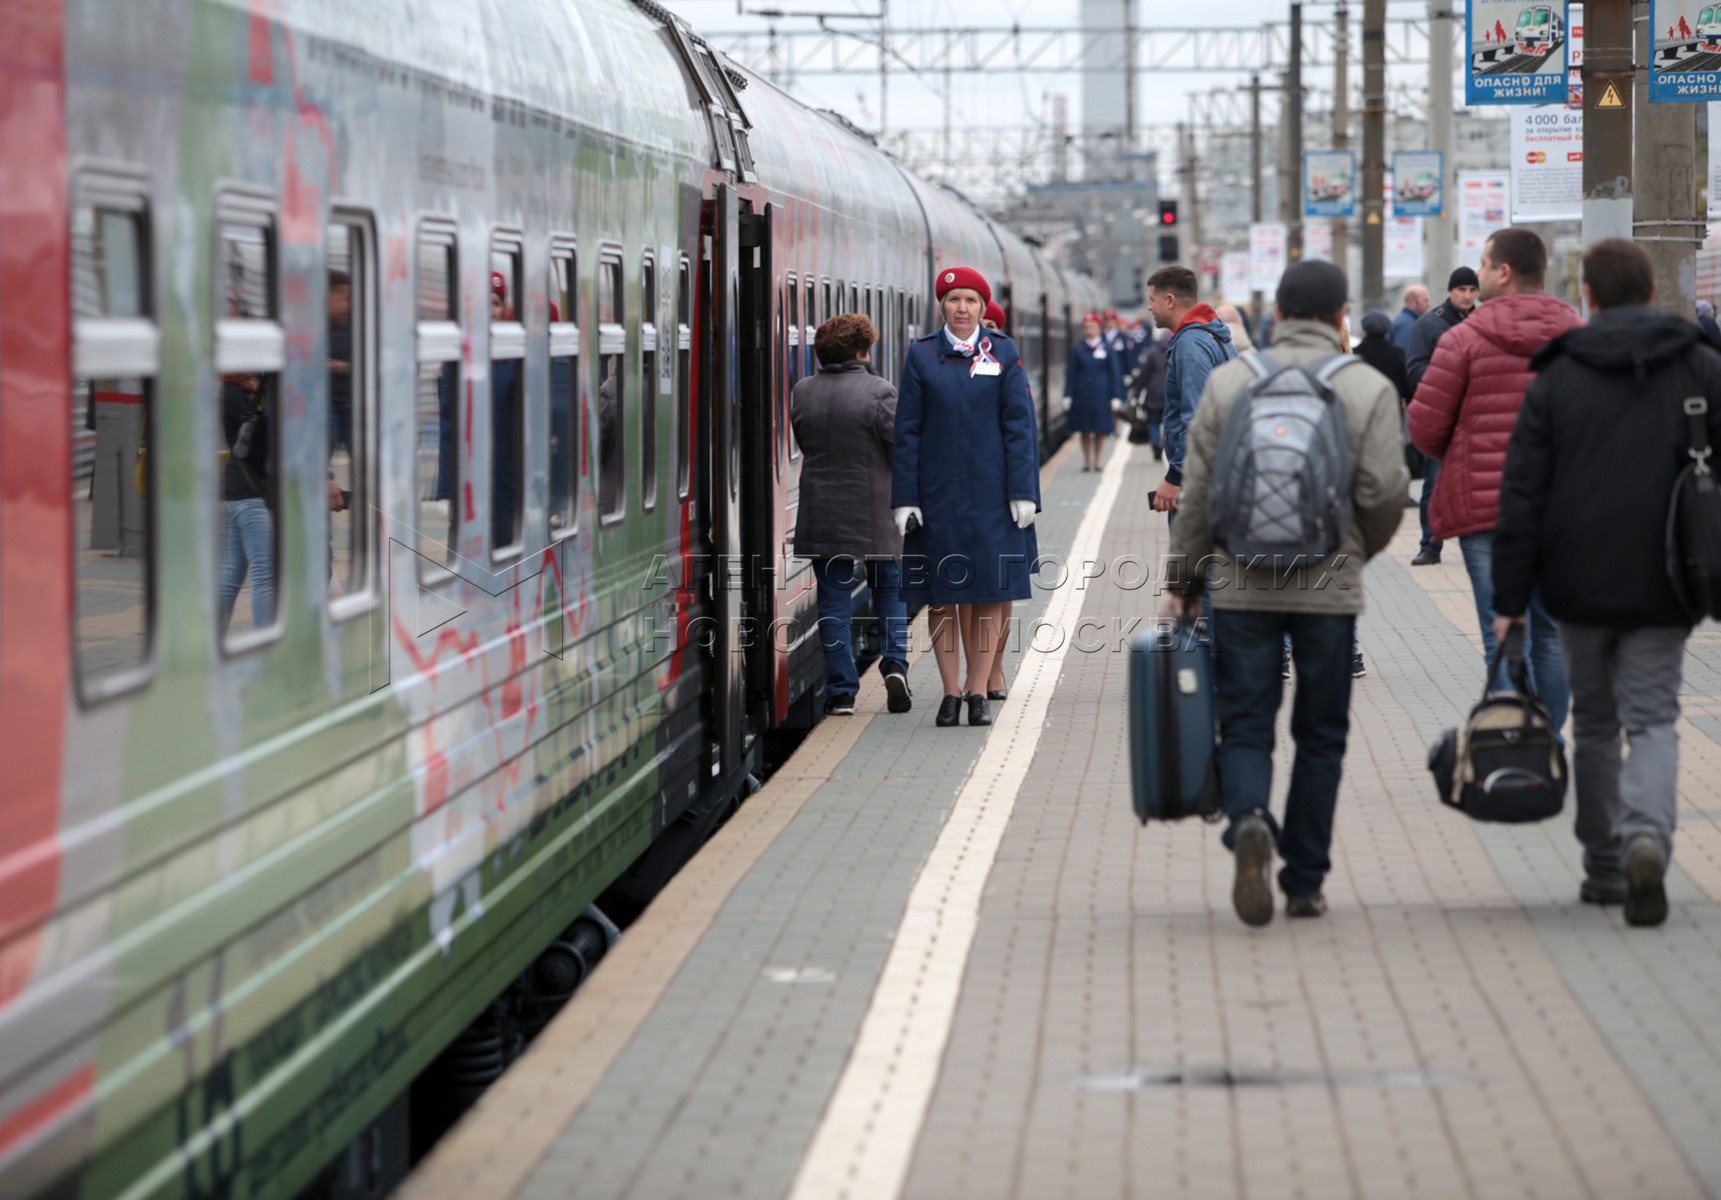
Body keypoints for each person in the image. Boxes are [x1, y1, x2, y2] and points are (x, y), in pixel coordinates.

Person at [1161, 259, 1408, 927]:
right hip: (1329, 589)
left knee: (1244, 723)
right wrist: (1352, 552)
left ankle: (1247, 820)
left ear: (1275, 317)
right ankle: (1303, 881)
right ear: (1339, 317)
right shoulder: (1364, 386)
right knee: (1320, 734)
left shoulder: (1229, 381)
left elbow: (1198, 494)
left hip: (1240, 584)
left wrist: (1183, 580)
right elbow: (1386, 491)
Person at [1493, 240, 1721, 925]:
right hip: (1669, 576)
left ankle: (1604, 864)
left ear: (1586, 297)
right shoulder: (1700, 366)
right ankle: (1647, 836)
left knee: (1593, 723)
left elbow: (1521, 495)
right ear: (1651, 292)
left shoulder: (1556, 376)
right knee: (1652, 718)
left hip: (1577, 580)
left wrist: (1508, 600)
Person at [1409, 228, 1581, 737]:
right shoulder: (1576, 334)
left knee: (1502, 634)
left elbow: (1424, 428)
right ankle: (1547, 744)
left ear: (1504, 272)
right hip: (1559, 508)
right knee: (1551, 634)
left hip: (1486, 510)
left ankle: (1514, 745)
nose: (1477, 274)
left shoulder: (1462, 339)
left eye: (1484, 264)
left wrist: (1462, 452)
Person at [894, 267, 1039, 728]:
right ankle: (950, 693)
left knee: (985, 595)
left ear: (982, 307)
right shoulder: (921, 356)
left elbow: (1019, 426)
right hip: (937, 496)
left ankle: (978, 691)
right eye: (954, 299)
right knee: (942, 596)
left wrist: (1023, 492)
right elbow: (907, 431)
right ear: (942, 305)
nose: (962, 308)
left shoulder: (1004, 351)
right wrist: (905, 498)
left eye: (971, 301)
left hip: (993, 496)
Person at [791, 313, 912, 717]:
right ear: (863, 350)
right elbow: (900, 448)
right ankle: (894, 663)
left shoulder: (802, 392)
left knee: (832, 601)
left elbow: (805, 439)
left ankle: (842, 691)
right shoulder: (880, 391)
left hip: (822, 510)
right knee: (889, 590)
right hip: (874, 510)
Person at [1403, 266, 1480, 566]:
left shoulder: (1483, 320)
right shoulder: (1428, 325)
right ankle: (1430, 545)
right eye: (1462, 290)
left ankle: (1479, 544)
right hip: (1443, 415)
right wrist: (1448, 379)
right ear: (1450, 291)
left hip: (1477, 416)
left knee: (1479, 484)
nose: (1467, 295)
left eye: (1472, 290)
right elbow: (1414, 367)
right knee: (1435, 483)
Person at [1147, 264, 1235, 517]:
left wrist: (1175, 477)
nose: (1150, 307)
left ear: (1170, 301)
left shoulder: (1191, 345)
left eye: (1152, 300)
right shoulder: (1213, 337)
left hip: (1198, 483)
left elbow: (1196, 418)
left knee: (1193, 556)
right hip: (1217, 473)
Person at [220, 372, 275, 632]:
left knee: (232, 574)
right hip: (251, 492)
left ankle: (210, 639)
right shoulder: (236, 393)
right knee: (266, 574)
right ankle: (266, 646)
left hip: (238, 490)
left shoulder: (242, 390)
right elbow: (262, 441)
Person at [1065, 312, 1122, 472]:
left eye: (1092, 327)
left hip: (1101, 395)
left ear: (1099, 329)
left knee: (1100, 429)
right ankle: (1086, 460)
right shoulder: (1078, 349)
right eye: (1087, 327)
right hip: (1081, 395)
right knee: (1084, 429)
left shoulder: (1107, 349)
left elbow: (1114, 374)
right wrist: (1067, 395)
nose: (1089, 330)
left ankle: (1097, 460)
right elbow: (1071, 374)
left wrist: (1115, 396)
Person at [328, 270, 353, 453]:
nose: (349, 306)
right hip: (328, 408)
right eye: (344, 299)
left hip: (351, 407)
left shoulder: (358, 324)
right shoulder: (306, 332)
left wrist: (342, 367)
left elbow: (371, 364)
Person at [1387, 285, 1429, 353]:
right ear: (1411, 302)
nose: (1429, 304)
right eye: (1425, 301)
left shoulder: (1405, 321)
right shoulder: (1408, 325)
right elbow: (1405, 355)